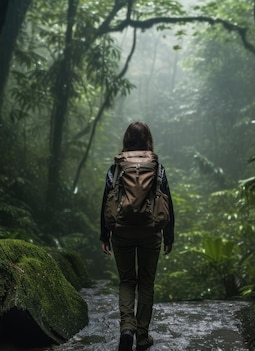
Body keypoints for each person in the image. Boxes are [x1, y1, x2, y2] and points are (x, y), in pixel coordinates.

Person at [100, 121, 175, 351]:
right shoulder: (156, 166)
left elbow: (106, 200)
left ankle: (126, 328)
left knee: (127, 281)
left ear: (126, 140)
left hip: (121, 230)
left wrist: (104, 234)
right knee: (146, 282)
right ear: (148, 140)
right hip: (150, 231)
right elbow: (167, 201)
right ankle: (142, 336)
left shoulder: (117, 167)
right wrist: (169, 235)